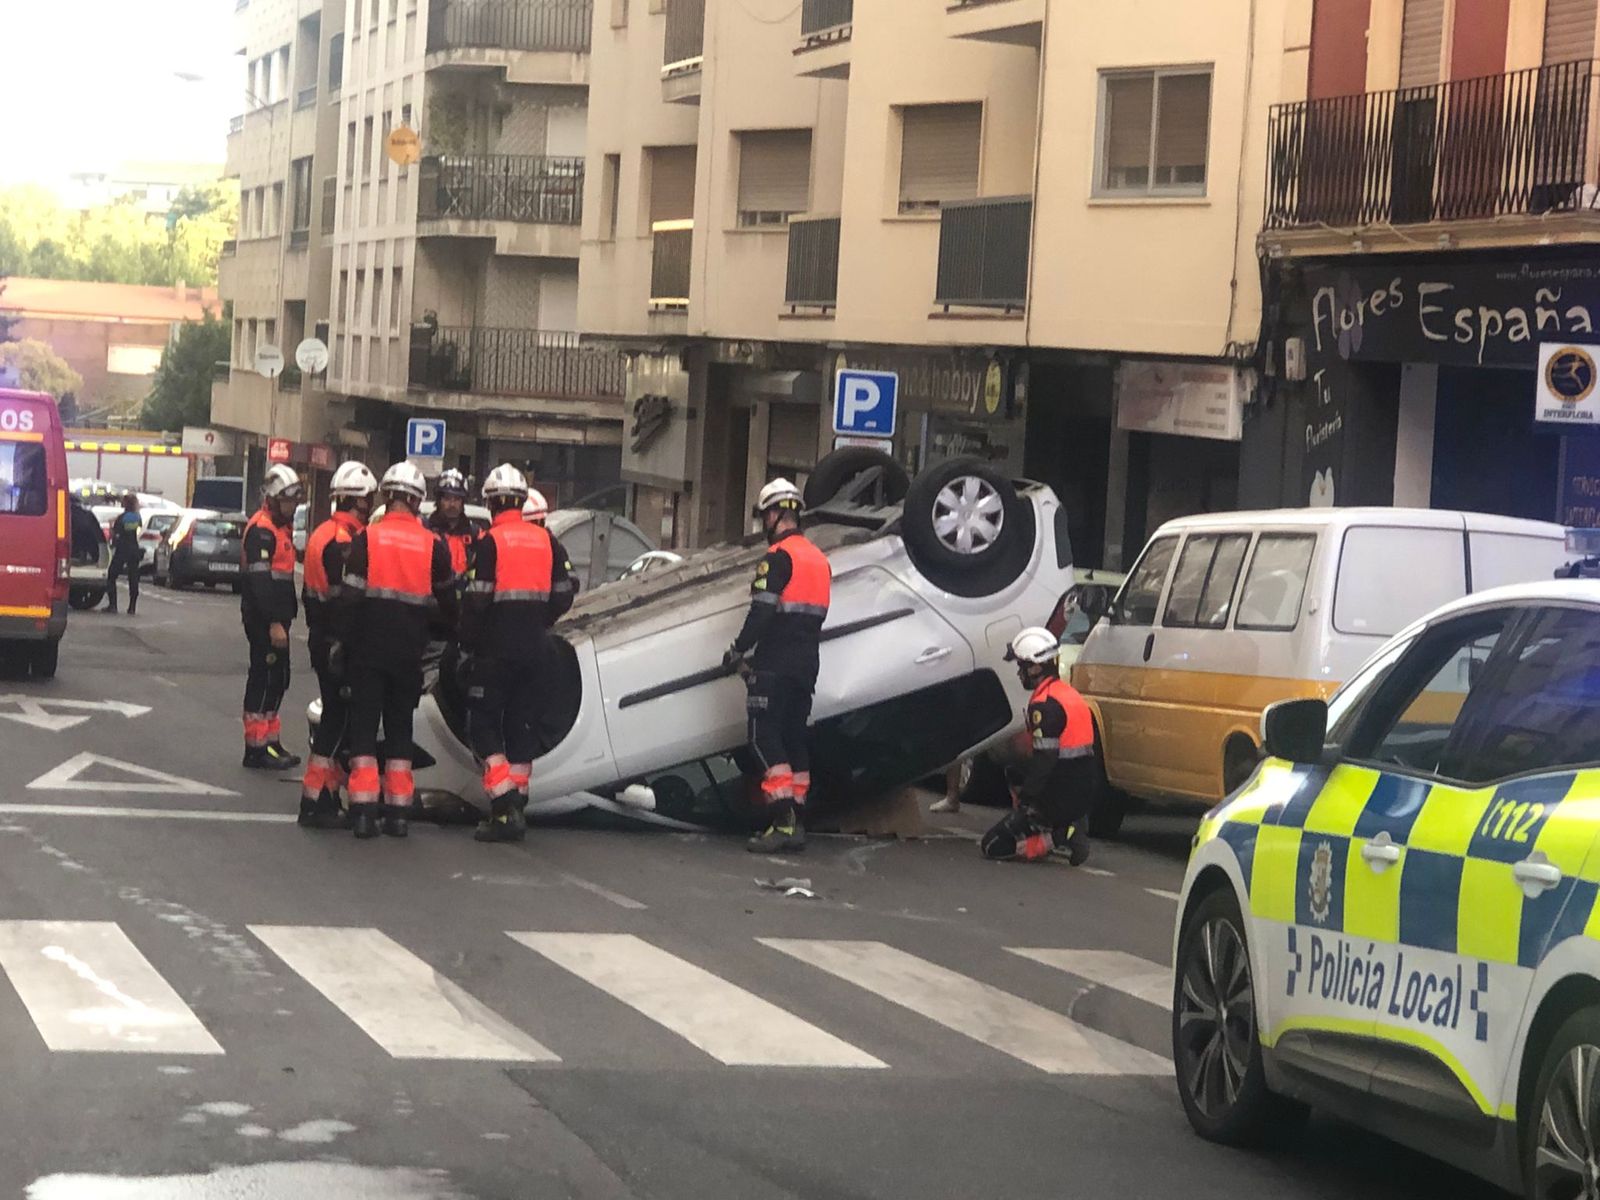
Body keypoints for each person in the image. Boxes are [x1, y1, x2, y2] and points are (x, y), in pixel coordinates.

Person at [336, 461, 457, 840]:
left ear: (388, 497)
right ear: (419, 500)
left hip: (368, 652)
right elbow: (450, 604)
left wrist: (342, 644)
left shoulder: (367, 540)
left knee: (364, 730)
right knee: (401, 731)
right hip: (410, 654)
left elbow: (349, 600)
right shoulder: (433, 545)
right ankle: (398, 814)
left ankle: (362, 812)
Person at [465, 465, 575, 843]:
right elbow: (564, 594)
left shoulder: (489, 543)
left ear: (493, 504)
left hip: (496, 650)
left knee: (482, 724)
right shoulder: (548, 541)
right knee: (520, 726)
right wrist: (538, 619)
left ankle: (503, 802)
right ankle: (518, 803)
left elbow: (476, 601)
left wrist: (468, 642)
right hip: (537, 650)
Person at [724, 478, 830, 853]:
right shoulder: (818, 559)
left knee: (764, 737)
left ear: (774, 514)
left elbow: (762, 611)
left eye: (765, 516)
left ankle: (782, 819)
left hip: (774, 665)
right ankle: (797, 819)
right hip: (806, 666)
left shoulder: (778, 558)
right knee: (793, 739)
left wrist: (738, 650)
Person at [297, 461, 378, 829]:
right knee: (337, 721)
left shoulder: (321, 534)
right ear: (358, 501)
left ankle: (324, 797)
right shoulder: (345, 542)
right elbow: (348, 599)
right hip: (336, 642)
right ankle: (315, 800)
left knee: (335, 718)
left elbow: (311, 594)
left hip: (322, 636)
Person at [979, 627, 1096, 866]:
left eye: (1022, 666)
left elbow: (1046, 761)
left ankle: (1059, 836)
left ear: (1036, 667)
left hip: (1060, 795)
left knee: (993, 846)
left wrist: (1026, 802)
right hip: (1082, 789)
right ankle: (1069, 822)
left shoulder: (1045, 706)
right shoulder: (1068, 694)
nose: (1020, 673)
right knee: (1013, 768)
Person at [241, 466, 304, 769]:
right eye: (287, 501)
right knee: (264, 679)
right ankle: (256, 748)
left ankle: (270, 742)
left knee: (279, 679)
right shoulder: (262, 530)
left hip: (278, 620)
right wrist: (273, 623)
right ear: (272, 499)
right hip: (265, 621)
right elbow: (260, 583)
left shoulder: (279, 529)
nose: (291, 508)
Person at [427, 468, 477, 584]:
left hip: (466, 599)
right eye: (447, 498)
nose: (452, 504)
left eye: (457, 499)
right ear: (439, 500)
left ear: (463, 501)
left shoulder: (474, 534)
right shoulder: (427, 532)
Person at [103, 493, 142, 615]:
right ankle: (132, 607)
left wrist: (111, 528)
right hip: (134, 549)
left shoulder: (122, 518)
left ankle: (113, 605)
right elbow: (136, 529)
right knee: (133, 578)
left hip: (122, 550)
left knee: (112, 576)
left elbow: (117, 534)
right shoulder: (137, 518)